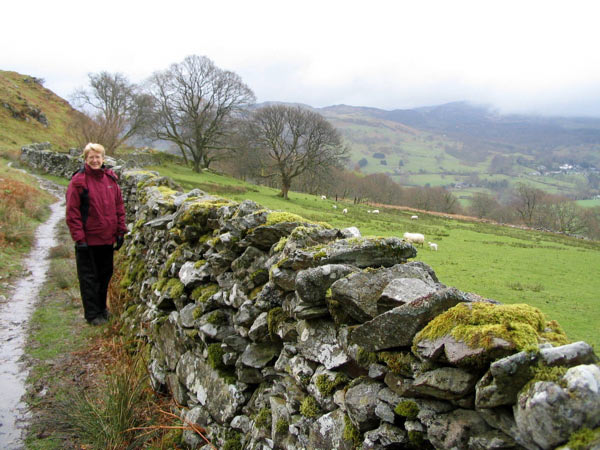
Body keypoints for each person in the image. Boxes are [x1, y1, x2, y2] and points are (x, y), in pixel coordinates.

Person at [65, 143, 126, 325]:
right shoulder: (79, 181)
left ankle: (102, 309)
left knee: (104, 276)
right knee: (89, 278)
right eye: (91, 157)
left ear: (103, 159)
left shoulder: (110, 180)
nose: (95, 160)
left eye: (98, 157)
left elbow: (119, 207)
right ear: (85, 159)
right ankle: (92, 315)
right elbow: (72, 212)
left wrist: (120, 231)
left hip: (107, 238)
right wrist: (79, 238)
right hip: (88, 240)